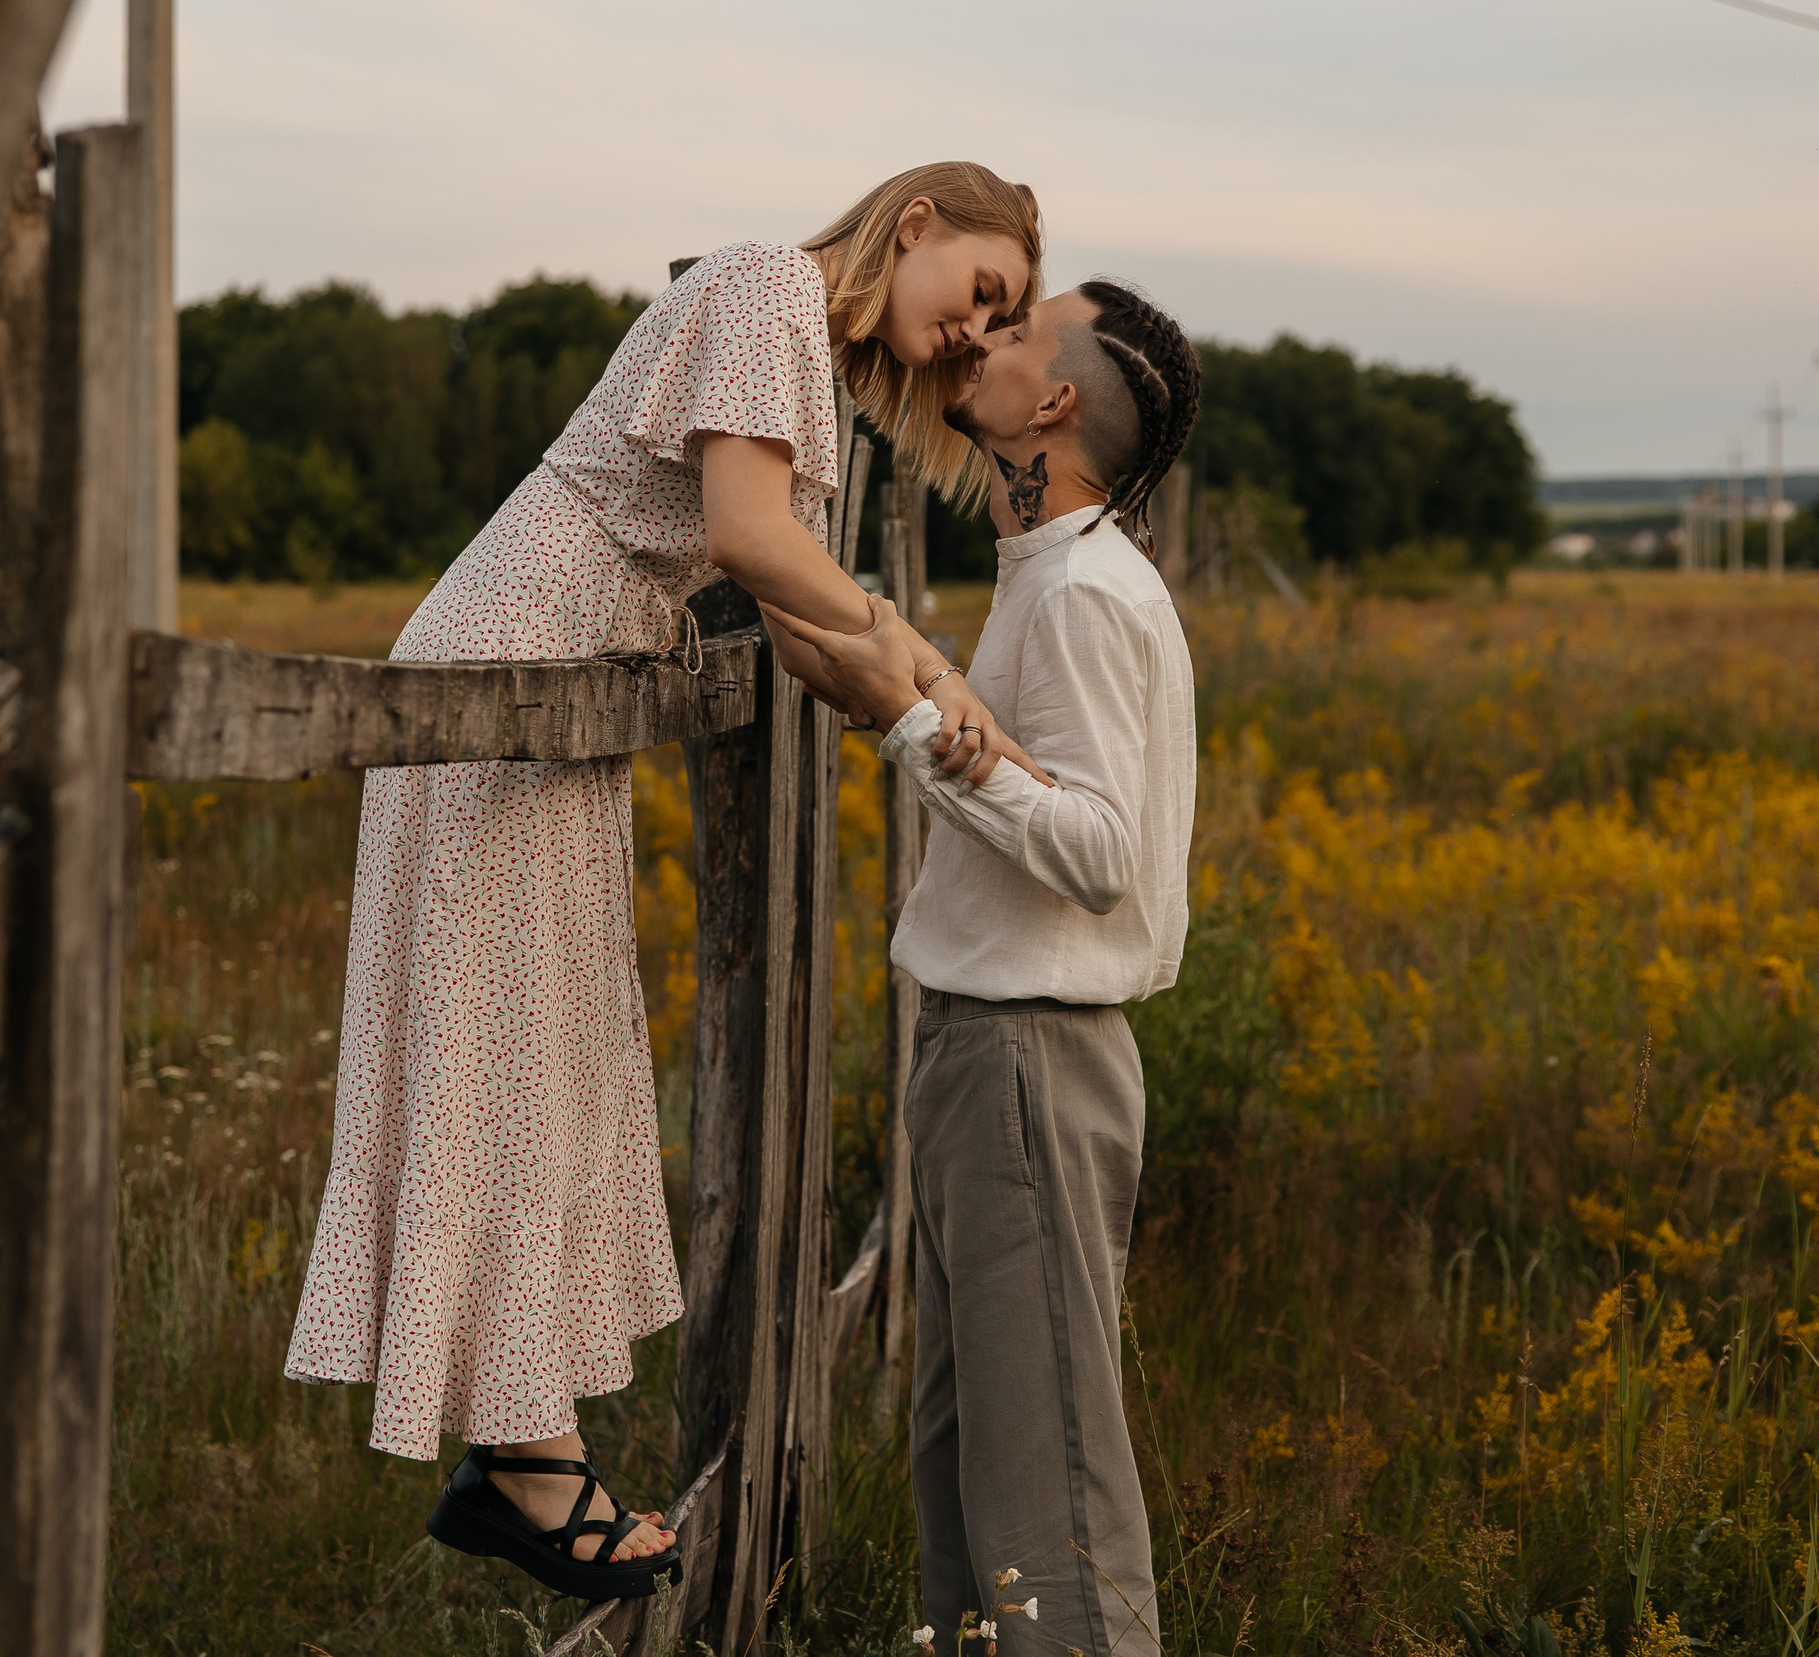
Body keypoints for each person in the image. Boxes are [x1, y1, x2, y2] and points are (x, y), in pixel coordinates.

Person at [285, 162, 1046, 1602]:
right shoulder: (764, 287)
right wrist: (924, 658)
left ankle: (524, 1444)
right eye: (982, 290)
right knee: (507, 1060)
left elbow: (795, 624)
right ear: (918, 225)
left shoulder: (807, 363)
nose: (974, 327)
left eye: (1000, 321)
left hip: (560, 697)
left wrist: (935, 719)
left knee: (550, 1065)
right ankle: (525, 1463)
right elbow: (758, 546)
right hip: (505, 677)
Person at [766, 278, 1201, 1657]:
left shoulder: (1079, 592)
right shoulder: (1053, 575)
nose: (978, 339)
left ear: (1054, 400)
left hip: (1029, 1058)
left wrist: (907, 722)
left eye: (1015, 332)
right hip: (995, 1055)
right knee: (974, 1475)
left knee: (1048, 1482)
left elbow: (1101, 852)